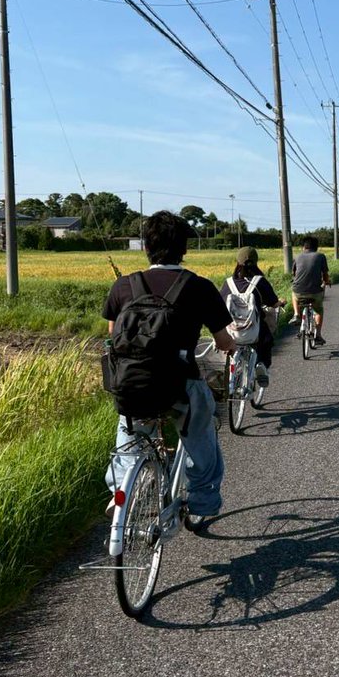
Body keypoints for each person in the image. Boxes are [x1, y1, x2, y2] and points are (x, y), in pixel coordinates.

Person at [103, 210, 234, 526]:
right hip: (179, 385)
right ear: (184, 249)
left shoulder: (123, 286)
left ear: (147, 247)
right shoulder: (200, 287)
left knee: (129, 436)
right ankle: (201, 502)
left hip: (131, 383)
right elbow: (223, 340)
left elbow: (113, 335)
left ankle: (124, 490)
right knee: (202, 435)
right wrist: (227, 345)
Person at [220, 246, 285, 386]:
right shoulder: (259, 281)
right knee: (266, 340)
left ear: (237, 262)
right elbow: (273, 303)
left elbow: (220, 304)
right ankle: (261, 364)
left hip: (232, 331)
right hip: (254, 331)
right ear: (256, 262)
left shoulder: (228, 283)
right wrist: (281, 302)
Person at [290, 235, 331, 344]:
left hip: (299, 291)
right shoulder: (320, 256)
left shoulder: (297, 257)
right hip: (315, 292)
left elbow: (294, 274)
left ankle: (296, 314)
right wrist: (326, 281)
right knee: (319, 310)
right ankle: (318, 335)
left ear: (304, 247)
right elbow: (325, 274)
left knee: (294, 293)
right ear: (316, 247)